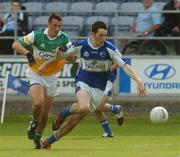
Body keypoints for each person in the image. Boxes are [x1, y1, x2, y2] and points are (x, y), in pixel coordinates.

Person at [11, 12, 121, 149]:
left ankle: (37, 140)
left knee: (45, 115)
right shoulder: (37, 34)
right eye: (55, 26)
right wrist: (27, 53)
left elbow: (73, 58)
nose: (57, 29)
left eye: (60, 26)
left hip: (52, 77)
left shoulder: (64, 38)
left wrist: (63, 53)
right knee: (38, 102)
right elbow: (15, 44)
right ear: (49, 24)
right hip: (36, 72)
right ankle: (33, 123)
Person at [39, 21, 147, 149]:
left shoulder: (109, 48)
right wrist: (52, 58)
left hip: (99, 87)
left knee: (76, 120)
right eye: (100, 35)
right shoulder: (81, 45)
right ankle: (62, 114)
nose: (103, 38)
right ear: (93, 34)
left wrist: (139, 81)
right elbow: (62, 56)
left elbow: (125, 66)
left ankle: (49, 141)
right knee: (84, 107)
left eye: (105, 35)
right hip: (83, 80)